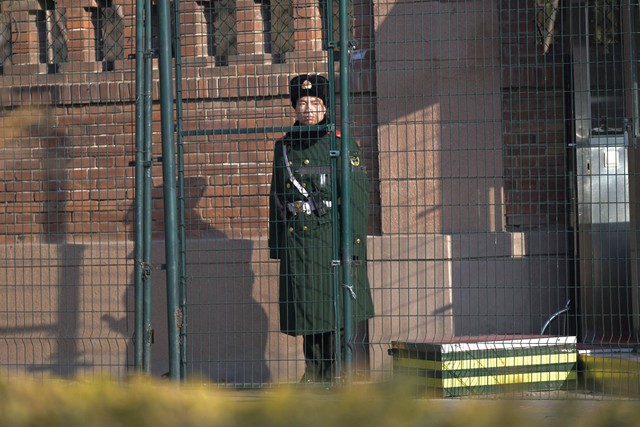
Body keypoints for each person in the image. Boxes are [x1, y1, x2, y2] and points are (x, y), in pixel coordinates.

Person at [268, 74, 374, 383]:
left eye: (315, 103)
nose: (308, 110)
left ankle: (340, 376)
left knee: (337, 311)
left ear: (325, 107)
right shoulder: (285, 147)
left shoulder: (340, 143)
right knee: (308, 313)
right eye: (302, 103)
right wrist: (278, 246)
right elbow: (276, 196)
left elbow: (356, 197)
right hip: (299, 245)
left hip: (331, 238)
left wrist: (353, 246)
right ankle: (315, 375)